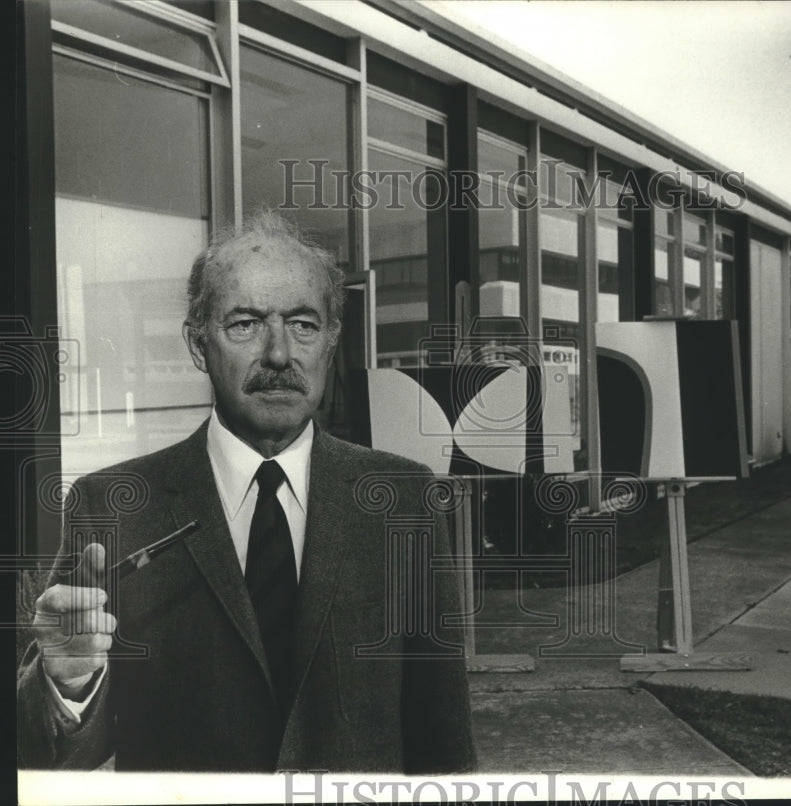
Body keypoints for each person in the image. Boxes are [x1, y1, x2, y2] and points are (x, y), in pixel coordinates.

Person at [17, 211, 477, 773]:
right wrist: (69, 681)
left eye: (304, 324)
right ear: (197, 344)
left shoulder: (404, 499)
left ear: (331, 342)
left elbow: (443, 742)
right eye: (246, 324)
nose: (280, 354)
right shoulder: (112, 505)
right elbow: (50, 761)